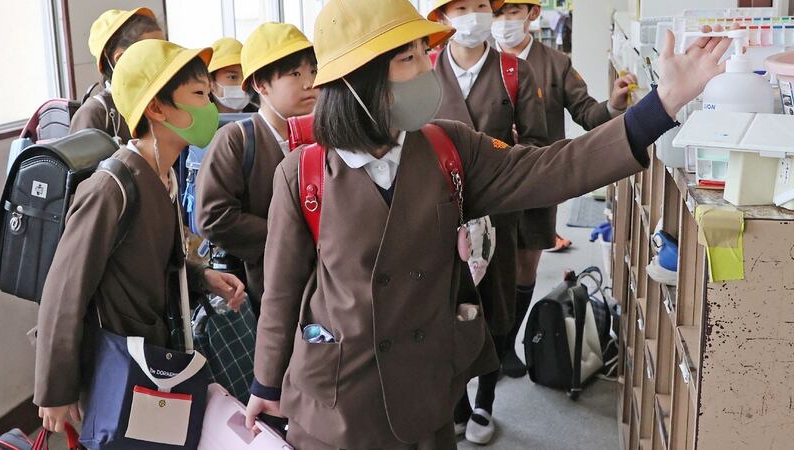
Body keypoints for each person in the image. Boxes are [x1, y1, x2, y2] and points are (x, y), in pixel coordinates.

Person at [244, 0, 733, 447]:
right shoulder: (303, 175)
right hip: (338, 400)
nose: (425, 69)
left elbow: (552, 168)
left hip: (428, 391)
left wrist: (661, 107)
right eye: (407, 59)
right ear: (358, 78)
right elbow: (282, 293)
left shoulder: (447, 149)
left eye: (421, 52)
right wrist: (265, 384)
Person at [34, 39, 246, 433]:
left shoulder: (164, 174)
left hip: (150, 356)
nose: (211, 107)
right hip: (115, 366)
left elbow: (161, 258)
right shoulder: (111, 186)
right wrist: (55, 389)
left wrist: (202, 277)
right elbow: (64, 290)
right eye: (199, 94)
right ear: (156, 107)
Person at [492, 0, 640, 379]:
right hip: (491, 181)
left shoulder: (554, 63)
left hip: (541, 178)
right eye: (498, 13)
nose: (505, 21)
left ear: (531, 15)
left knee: (527, 263)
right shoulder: (483, 61)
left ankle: (508, 343)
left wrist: (614, 104)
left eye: (513, 12)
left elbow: (587, 112)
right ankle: (488, 345)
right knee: (492, 266)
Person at [427, 0, 548, 443]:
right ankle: (457, 401)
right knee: (446, 304)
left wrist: (501, 162)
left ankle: (485, 403)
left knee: (496, 305)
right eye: (461, 7)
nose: (472, 14)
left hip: (498, 212)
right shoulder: (424, 70)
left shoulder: (514, 71)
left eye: (480, 5)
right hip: (439, 213)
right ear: (442, 17)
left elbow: (535, 145)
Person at [196, 23, 318, 316]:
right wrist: (289, 234)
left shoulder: (323, 135)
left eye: (313, 71)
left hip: (321, 286)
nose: (309, 83)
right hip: (265, 289)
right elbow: (213, 216)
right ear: (261, 85)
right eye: (295, 74)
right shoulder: (236, 139)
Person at [69, 7, 164, 144]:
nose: (165, 59)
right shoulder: (95, 114)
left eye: (167, 50)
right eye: (154, 53)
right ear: (120, 59)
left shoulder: (160, 101)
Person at [207, 37, 256, 113]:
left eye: (246, 77)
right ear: (210, 82)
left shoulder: (260, 118)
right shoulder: (198, 121)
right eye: (232, 77)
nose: (242, 84)